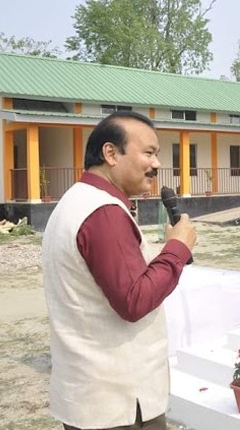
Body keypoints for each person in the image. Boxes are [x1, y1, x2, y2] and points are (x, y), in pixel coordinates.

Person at [42, 111, 196, 430]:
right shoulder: (103, 213)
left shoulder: (75, 202)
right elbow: (134, 300)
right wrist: (178, 247)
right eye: (149, 153)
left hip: (91, 394)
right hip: (119, 401)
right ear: (111, 153)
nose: (156, 164)